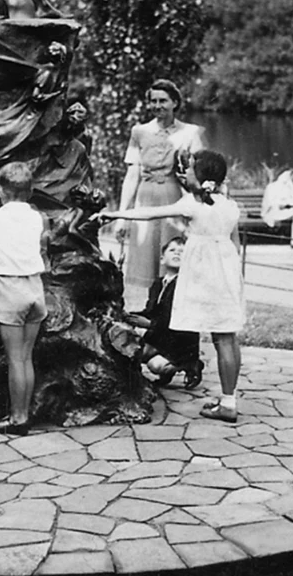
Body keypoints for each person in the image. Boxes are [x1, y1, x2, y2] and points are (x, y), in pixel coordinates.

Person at [99, 150, 244, 422]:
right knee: (228, 337)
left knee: (221, 338)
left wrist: (116, 214)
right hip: (227, 272)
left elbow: (152, 212)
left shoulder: (193, 204)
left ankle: (227, 405)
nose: (184, 174)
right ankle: (229, 397)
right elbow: (234, 244)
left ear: (201, 177)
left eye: (188, 170)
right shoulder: (229, 205)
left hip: (208, 275)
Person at [0, 162, 49, 436]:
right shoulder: (36, 217)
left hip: (9, 288)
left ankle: (18, 418)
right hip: (34, 288)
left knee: (15, 359)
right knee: (26, 357)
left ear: (2, 191)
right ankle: (24, 412)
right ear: (30, 192)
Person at [116, 79, 205, 294]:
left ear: (175, 102)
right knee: (146, 256)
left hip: (174, 197)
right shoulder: (139, 131)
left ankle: (174, 309)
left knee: (174, 254)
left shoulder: (190, 132)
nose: (158, 106)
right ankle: (151, 309)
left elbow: (201, 171)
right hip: (145, 197)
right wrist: (122, 216)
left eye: (163, 101)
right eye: (153, 101)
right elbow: (132, 174)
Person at [125, 237, 204, 389]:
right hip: (159, 337)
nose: (177, 254)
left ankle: (190, 364)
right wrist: (130, 316)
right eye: (172, 250)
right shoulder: (158, 283)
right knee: (134, 352)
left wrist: (149, 324)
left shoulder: (186, 286)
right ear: (162, 259)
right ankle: (165, 371)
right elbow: (151, 311)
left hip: (179, 341)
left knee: (155, 365)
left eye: (182, 252)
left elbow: (176, 318)